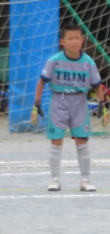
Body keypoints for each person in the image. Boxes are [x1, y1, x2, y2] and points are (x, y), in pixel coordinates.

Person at [32, 22, 106, 192]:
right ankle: (55, 179)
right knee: (56, 139)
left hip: (80, 102)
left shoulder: (88, 63)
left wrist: (102, 105)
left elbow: (97, 85)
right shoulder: (54, 61)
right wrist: (37, 104)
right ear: (62, 42)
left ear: (83, 40)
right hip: (59, 101)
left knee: (82, 139)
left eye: (77, 38)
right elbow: (41, 82)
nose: (74, 41)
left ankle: (85, 179)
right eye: (70, 38)